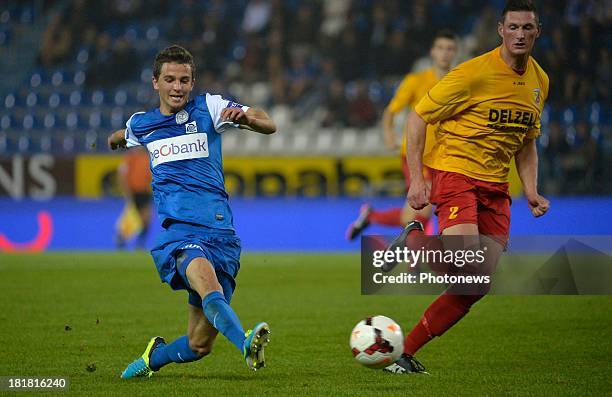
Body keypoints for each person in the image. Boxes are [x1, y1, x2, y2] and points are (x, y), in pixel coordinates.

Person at [384, 0, 550, 374]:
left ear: (538, 31)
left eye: (528, 28)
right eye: (514, 28)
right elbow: (418, 117)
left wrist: (532, 190)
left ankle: (403, 355)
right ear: (500, 30)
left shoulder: (540, 81)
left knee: (475, 287)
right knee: (466, 269)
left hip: (496, 187)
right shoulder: (473, 73)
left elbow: (526, 142)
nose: (520, 34)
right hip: (456, 174)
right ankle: (413, 239)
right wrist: (416, 179)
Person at [108, 45, 277, 378]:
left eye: (184, 80)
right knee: (207, 283)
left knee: (199, 345)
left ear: (193, 81)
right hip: (181, 233)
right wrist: (114, 139)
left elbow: (269, 124)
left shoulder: (210, 107)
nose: (177, 87)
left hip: (221, 234)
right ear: (155, 82)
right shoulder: (143, 124)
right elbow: (123, 136)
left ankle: (154, 357)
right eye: (170, 79)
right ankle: (245, 343)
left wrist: (247, 120)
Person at [346, 30, 458, 240]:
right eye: (441, 48)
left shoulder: (458, 82)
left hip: (445, 157)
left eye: (450, 49)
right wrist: (388, 134)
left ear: (455, 53)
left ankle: (372, 217)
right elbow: (391, 111)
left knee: (413, 213)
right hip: (417, 154)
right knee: (424, 208)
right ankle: (413, 265)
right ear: (432, 52)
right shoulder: (416, 80)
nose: (445, 53)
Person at [114, 146, 153, 249]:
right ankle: (121, 240)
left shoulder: (148, 157)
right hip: (133, 193)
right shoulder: (130, 157)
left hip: (145, 192)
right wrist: (127, 193)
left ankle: (139, 245)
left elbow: (151, 176)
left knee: (146, 220)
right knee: (130, 219)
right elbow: (122, 175)